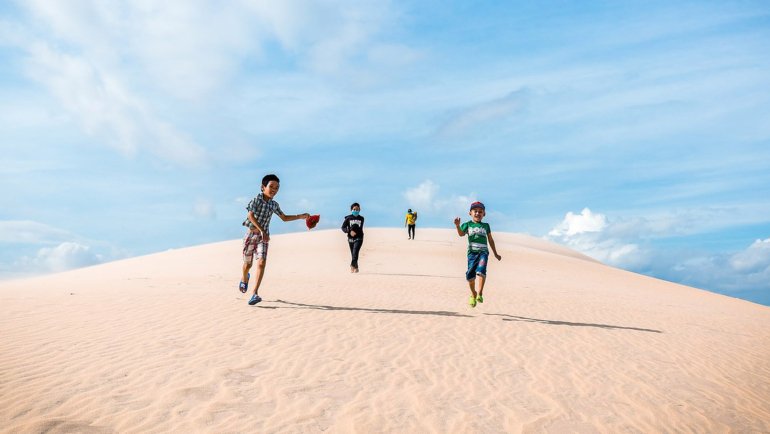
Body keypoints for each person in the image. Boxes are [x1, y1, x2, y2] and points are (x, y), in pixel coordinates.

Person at [240, 174, 310, 305]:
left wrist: (300, 216)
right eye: (271, 186)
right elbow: (250, 215)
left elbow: (284, 218)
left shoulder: (274, 205)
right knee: (247, 265)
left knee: (261, 263)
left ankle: (254, 293)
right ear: (263, 187)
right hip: (250, 235)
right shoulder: (256, 200)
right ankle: (244, 279)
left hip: (263, 237)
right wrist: (261, 229)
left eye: (277, 188)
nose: (274, 190)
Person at [453, 201, 502, 307]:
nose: (478, 213)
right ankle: (473, 294)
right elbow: (461, 234)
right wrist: (457, 226)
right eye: (475, 211)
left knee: (481, 271)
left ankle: (479, 293)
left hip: (483, 252)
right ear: (470, 213)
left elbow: (491, 240)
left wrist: (496, 253)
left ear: (484, 214)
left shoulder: (486, 226)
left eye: (480, 211)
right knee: (470, 277)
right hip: (472, 254)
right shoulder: (467, 225)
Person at [341, 202, 365, 273]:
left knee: (355, 252)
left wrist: (353, 231)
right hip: (350, 238)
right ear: (351, 210)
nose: (355, 211)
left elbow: (357, 227)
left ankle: (352, 265)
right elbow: (343, 227)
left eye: (357, 209)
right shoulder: (348, 218)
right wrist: (349, 231)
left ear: (359, 210)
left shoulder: (361, 218)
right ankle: (356, 267)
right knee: (353, 254)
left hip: (359, 237)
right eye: (354, 209)